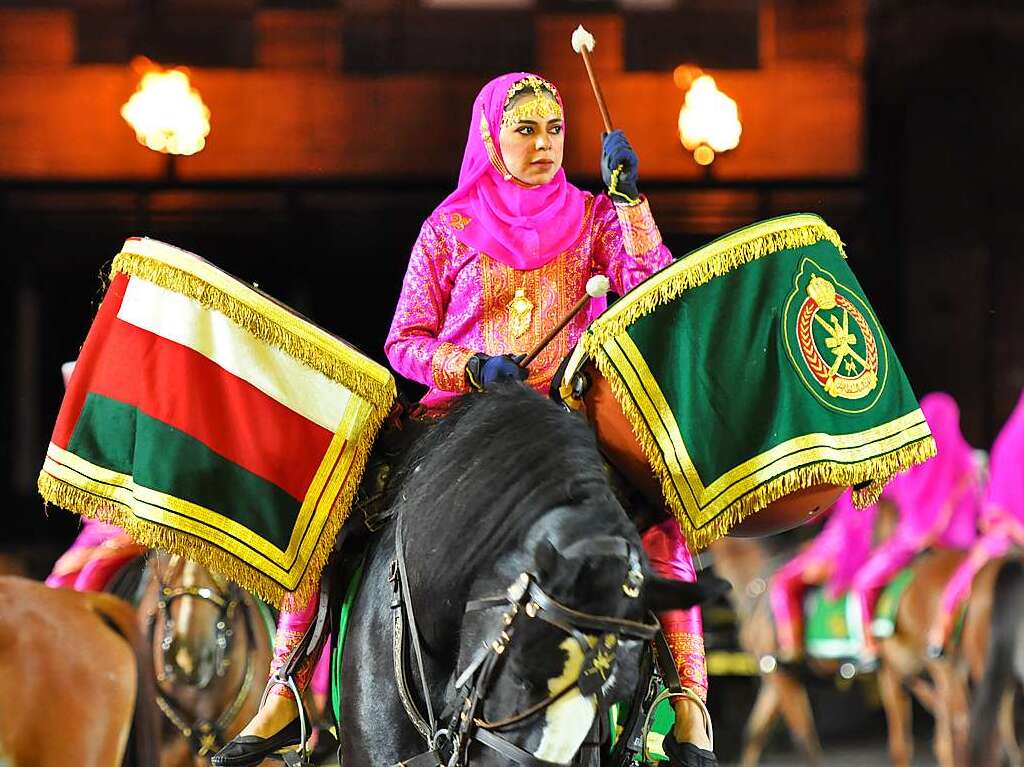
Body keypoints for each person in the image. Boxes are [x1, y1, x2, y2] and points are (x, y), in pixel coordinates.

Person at [215, 71, 713, 766]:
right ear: (491, 137)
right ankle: (286, 689)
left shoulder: (599, 216)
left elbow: (652, 286)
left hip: (560, 423)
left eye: (554, 131)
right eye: (526, 130)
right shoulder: (448, 227)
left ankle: (688, 705)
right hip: (459, 419)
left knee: (661, 514)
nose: (543, 145)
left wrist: (631, 203)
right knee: (329, 502)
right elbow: (404, 342)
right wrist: (472, 367)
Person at [847, 392, 981, 667]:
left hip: (915, 542)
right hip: (965, 547)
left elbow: (890, 494)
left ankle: (868, 647)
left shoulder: (914, 463)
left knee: (862, 583)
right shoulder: (970, 461)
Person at [926, 388, 1024, 657]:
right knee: (968, 571)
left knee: (969, 568)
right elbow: (999, 500)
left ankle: (940, 631)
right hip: (1008, 532)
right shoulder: (1011, 443)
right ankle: (941, 627)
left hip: (987, 530)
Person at [45, 361, 145, 592]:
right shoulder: (87, 444)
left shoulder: (134, 438)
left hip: (134, 532)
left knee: (90, 577)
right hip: (97, 533)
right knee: (57, 582)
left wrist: (104, 549)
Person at [768, 490, 879, 663]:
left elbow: (812, 513)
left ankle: (791, 647)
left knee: (782, 582)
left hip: (838, 545)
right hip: (848, 536)